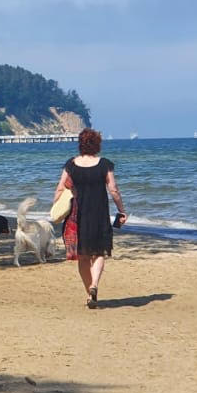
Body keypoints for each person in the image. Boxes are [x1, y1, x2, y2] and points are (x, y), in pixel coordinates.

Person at [53, 127, 126, 309]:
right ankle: (94, 285)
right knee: (99, 253)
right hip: (99, 214)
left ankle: (90, 293)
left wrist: (57, 207)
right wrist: (121, 210)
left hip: (77, 215)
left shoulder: (71, 164)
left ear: (81, 144)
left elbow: (60, 188)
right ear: (97, 145)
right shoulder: (105, 164)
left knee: (83, 257)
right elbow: (114, 190)